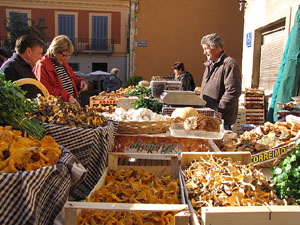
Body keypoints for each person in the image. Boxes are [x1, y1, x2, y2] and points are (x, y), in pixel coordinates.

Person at [200, 33, 242, 130]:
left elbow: (233, 91)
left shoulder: (229, 64)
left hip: (221, 121)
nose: (204, 52)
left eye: (206, 48)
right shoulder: (209, 65)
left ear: (216, 47)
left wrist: (218, 110)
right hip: (208, 118)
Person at [34, 35, 87, 104]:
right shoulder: (42, 65)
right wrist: (66, 97)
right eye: (64, 55)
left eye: (68, 56)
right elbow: (45, 90)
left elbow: (72, 78)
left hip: (68, 106)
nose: (65, 58)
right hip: (54, 109)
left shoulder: (63, 63)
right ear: (55, 50)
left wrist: (80, 82)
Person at [0, 34, 44, 99]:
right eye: (39, 53)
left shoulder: (24, 65)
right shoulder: (10, 67)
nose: (41, 57)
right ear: (28, 51)